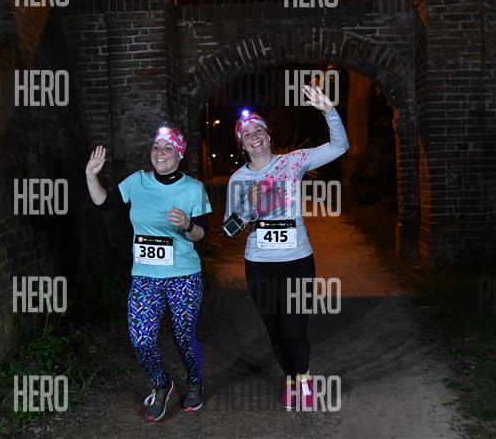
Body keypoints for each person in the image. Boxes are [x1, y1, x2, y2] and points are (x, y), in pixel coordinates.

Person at [224, 84, 349, 409]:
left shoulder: (294, 162)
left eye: (259, 130)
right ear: (241, 143)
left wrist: (329, 111)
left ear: (268, 135)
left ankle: (304, 376)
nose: (254, 136)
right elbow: (229, 230)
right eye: (247, 133)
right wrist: (248, 207)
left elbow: (340, 146)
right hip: (259, 265)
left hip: (297, 260)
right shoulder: (238, 180)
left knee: (294, 329)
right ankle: (291, 379)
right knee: (275, 329)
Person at [85, 125, 211, 422]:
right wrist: (91, 175)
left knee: (183, 337)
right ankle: (161, 383)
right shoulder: (137, 182)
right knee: (141, 338)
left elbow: (201, 234)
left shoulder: (193, 188)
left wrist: (187, 225)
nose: (160, 152)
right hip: (145, 277)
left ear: (179, 154)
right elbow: (104, 202)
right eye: (156, 147)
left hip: (183, 276)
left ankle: (195, 382)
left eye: (168, 148)